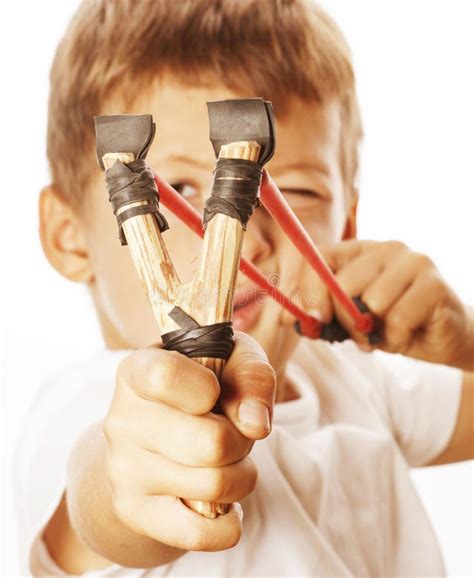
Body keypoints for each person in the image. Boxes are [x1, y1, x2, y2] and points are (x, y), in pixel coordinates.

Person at [15, 1, 473, 576]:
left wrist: (466, 343)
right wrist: (126, 480)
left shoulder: (356, 382)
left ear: (347, 228)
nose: (244, 240)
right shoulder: (96, 402)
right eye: (177, 187)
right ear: (68, 237)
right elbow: (103, 490)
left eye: (300, 195)